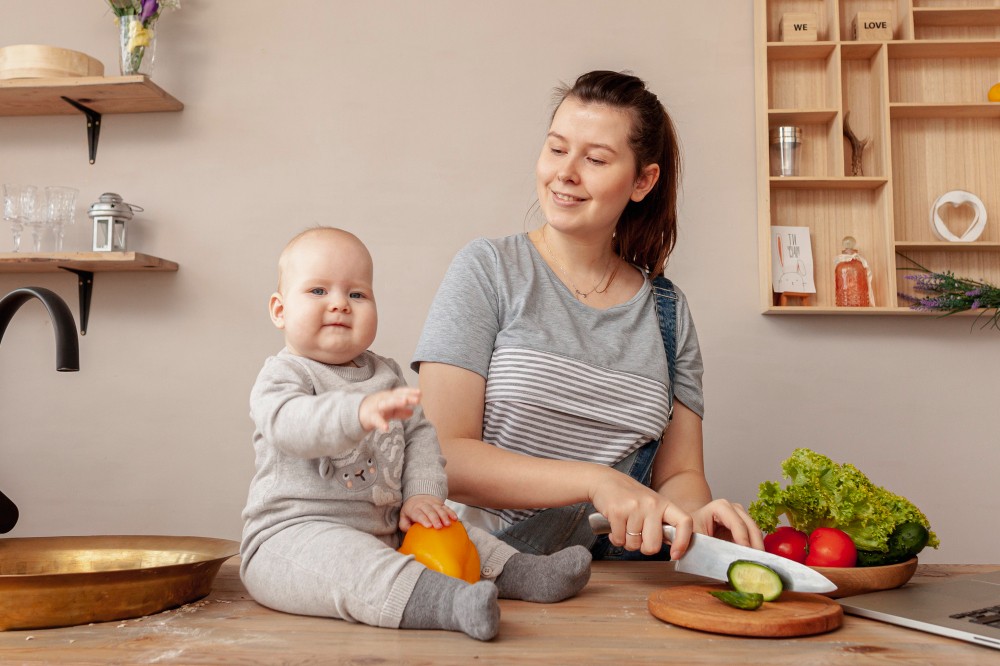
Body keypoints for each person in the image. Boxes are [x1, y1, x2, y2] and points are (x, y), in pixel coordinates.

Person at [412, 71, 764, 561]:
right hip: (482, 568)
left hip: (618, 585)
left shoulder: (668, 312)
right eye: (557, 149)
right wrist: (596, 481)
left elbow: (679, 475)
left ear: (643, 181)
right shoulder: (489, 270)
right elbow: (442, 454)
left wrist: (694, 517)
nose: (566, 173)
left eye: (595, 159)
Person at [240, 227, 592, 642]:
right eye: (318, 291)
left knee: (452, 530)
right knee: (356, 567)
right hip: (295, 538)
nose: (339, 304)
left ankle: (521, 571)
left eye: (357, 294)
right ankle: (449, 604)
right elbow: (291, 426)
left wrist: (424, 495)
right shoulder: (284, 375)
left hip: (386, 528)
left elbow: (420, 436)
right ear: (279, 310)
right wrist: (356, 412)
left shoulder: (385, 373)